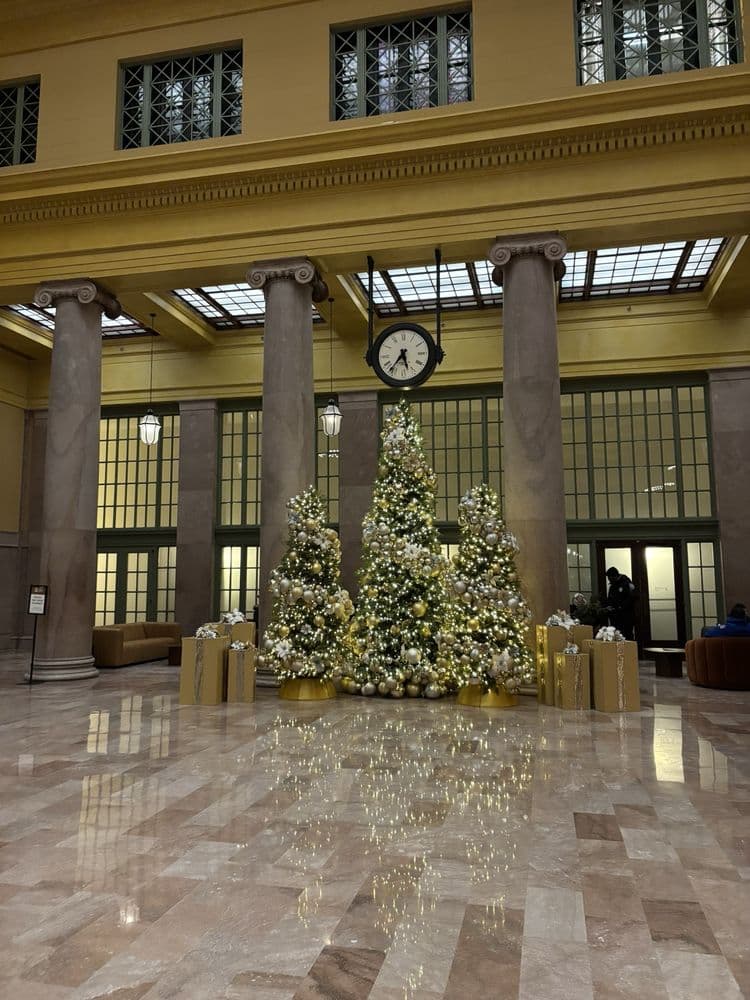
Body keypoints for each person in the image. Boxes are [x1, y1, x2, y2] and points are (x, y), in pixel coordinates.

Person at [605, 566, 636, 640]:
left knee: (627, 635)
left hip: (625, 616)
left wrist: (620, 607)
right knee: (617, 636)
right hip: (615, 616)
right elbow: (610, 599)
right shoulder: (613, 585)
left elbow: (631, 598)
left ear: (615, 576)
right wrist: (609, 607)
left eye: (610, 578)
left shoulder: (626, 583)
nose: (609, 580)